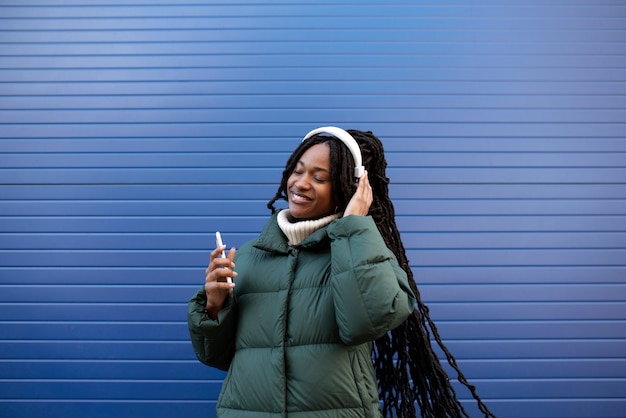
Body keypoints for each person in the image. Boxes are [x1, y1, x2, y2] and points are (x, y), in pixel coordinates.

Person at [188, 128, 496, 417]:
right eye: (297, 170)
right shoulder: (248, 257)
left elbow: (367, 320)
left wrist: (353, 227)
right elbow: (217, 357)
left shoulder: (360, 249)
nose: (301, 183)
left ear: (350, 187)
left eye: (320, 177)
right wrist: (215, 306)